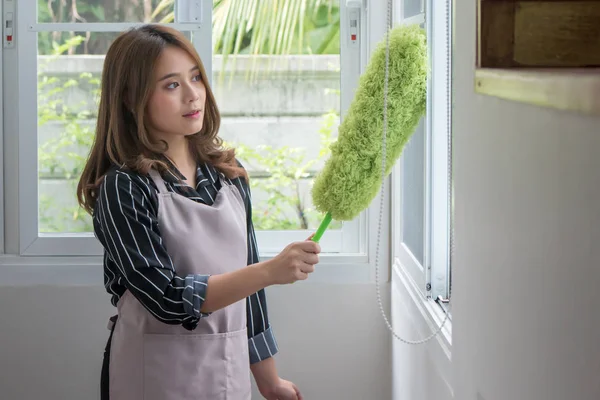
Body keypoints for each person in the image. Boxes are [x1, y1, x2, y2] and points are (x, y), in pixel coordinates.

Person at [76, 24, 321, 400]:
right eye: (171, 85)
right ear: (130, 98)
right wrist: (269, 271)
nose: (193, 95)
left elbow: (251, 298)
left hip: (227, 374)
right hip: (152, 378)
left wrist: (269, 380)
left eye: (196, 78)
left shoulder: (229, 178)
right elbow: (167, 298)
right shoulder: (124, 188)